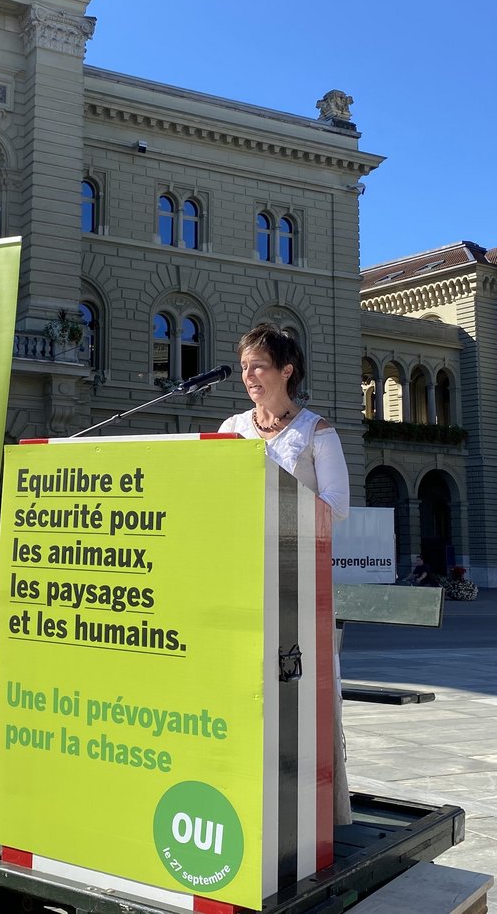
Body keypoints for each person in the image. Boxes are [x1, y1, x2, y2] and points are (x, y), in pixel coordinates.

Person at [218, 323, 353, 824]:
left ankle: (309, 808)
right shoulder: (233, 428)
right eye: (245, 366)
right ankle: (245, 796)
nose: (248, 376)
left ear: (286, 370)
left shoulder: (317, 432)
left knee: (297, 698)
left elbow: (338, 508)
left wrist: (276, 504)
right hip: (240, 578)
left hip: (298, 580)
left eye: (259, 366)